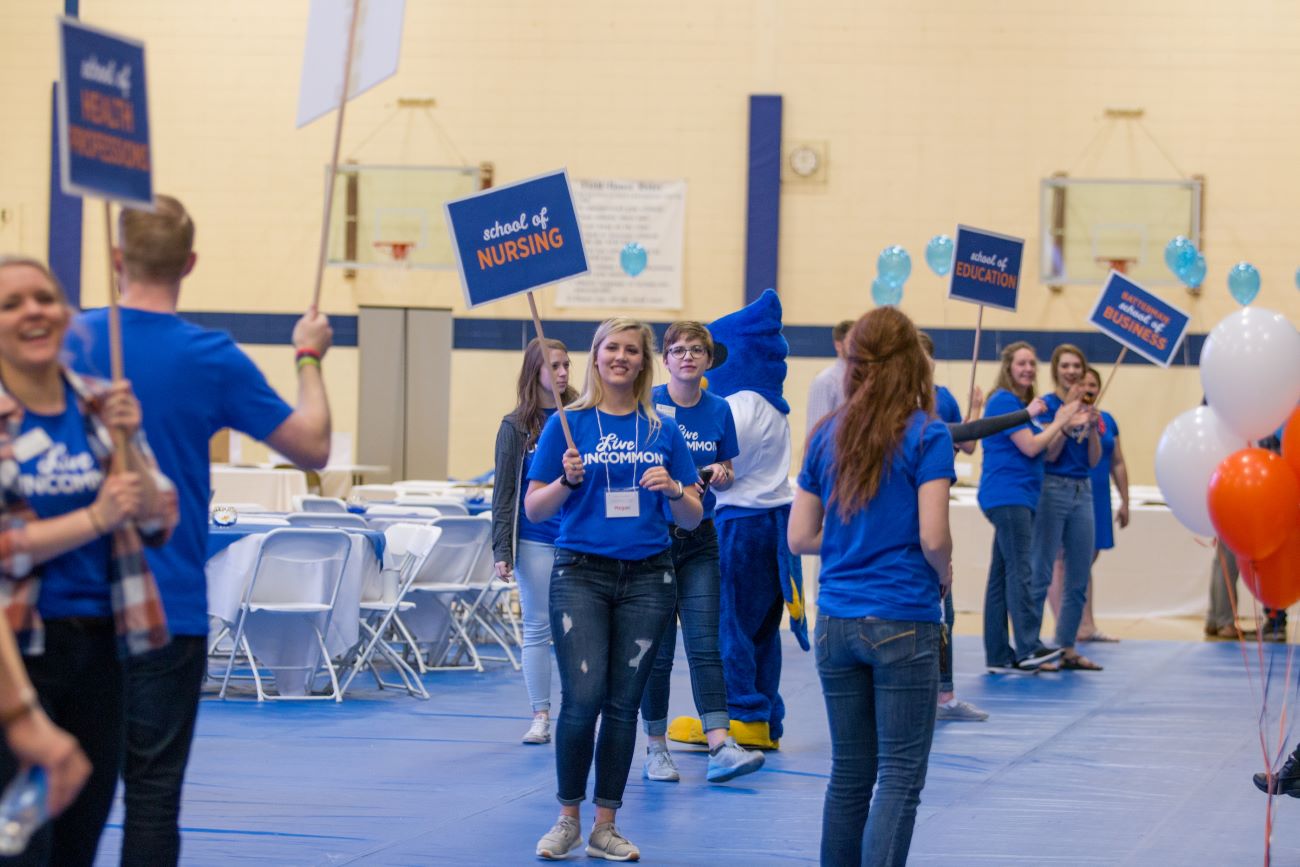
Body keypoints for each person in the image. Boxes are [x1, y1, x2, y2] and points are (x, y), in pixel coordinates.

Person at [62, 196, 333, 866]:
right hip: (167, 602)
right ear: (190, 263)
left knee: (64, 788)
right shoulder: (213, 357)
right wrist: (308, 355)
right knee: (153, 793)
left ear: (117, 259)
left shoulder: (68, 339)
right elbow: (313, 445)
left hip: (68, 595)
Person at [0, 255, 177, 866]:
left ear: (65, 313)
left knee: (80, 838)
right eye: (12, 304)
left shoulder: (103, 405)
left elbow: (159, 517)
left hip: (102, 647)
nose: (32, 312)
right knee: (19, 844)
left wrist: (132, 447)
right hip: (17, 656)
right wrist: (93, 519)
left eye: (44, 298)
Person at [525, 318, 701, 862]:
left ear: (644, 362)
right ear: (595, 358)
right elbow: (533, 508)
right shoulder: (568, 424)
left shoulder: (662, 430)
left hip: (649, 576)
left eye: (631, 350)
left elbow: (693, 518)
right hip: (580, 572)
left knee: (624, 706)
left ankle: (606, 824)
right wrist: (566, 481)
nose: (621, 357)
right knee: (581, 700)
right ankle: (567, 818)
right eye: (611, 349)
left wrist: (673, 489)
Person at [788, 306, 955, 867]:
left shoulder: (823, 436)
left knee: (850, 775)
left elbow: (800, 537)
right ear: (915, 364)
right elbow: (934, 535)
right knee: (901, 776)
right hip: (903, 614)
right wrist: (944, 570)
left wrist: (851, 537)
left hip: (836, 618)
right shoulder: (926, 435)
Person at [639, 321, 764, 784]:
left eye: (697, 350)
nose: (688, 356)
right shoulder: (647, 403)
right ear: (665, 358)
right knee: (658, 650)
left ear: (709, 360)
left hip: (701, 538)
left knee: (706, 644)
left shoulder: (719, 410)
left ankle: (720, 744)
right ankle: (655, 747)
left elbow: (727, 465)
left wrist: (722, 473)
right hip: (653, 539)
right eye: (678, 350)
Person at [491, 337, 576, 745]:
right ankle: (541, 714)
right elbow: (504, 491)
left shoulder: (583, 414)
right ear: (535, 372)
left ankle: (580, 710)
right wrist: (501, 549)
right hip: (535, 540)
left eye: (566, 366)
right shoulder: (515, 426)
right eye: (553, 366)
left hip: (579, 537)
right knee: (538, 628)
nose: (562, 373)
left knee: (579, 630)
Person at [977, 341, 1080, 674]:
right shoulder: (1005, 402)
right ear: (1008, 368)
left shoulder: (1023, 407)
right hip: (1009, 496)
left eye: (1032, 364)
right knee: (1021, 570)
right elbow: (1032, 447)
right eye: (1021, 363)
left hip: (1016, 496)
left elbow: (1045, 449)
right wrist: (1060, 419)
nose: (1028, 369)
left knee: (1001, 576)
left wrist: (1064, 425)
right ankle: (1027, 646)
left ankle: (997, 654)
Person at [918, 332, 987, 721]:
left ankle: (944, 693)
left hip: (936, 503)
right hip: (908, 510)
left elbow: (969, 444)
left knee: (944, 605)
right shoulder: (891, 400)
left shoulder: (942, 398)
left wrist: (975, 409)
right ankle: (924, 690)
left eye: (926, 356)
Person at [1029, 345, 1103, 671]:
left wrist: (1091, 428)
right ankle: (1030, 646)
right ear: (1056, 369)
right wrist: (1064, 423)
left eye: (1077, 366)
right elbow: (1050, 454)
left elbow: (1093, 460)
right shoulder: (1048, 405)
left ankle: (1066, 646)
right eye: (1066, 365)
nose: (1072, 371)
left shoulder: (1087, 406)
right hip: (1052, 488)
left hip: (1082, 489)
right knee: (1042, 570)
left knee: (1079, 574)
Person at [1046, 366, 1128, 643]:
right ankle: (1065, 626)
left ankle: (1087, 624)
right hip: (1071, 488)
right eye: (1084, 384)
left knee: (1084, 562)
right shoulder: (1064, 414)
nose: (1089, 388)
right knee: (1061, 562)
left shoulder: (1106, 421)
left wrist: (1125, 500)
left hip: (1098, 495)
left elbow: (1117, 461)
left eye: (1094, 384)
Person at [806, 319, 854, 435]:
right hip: (834, 452)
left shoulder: (863, 379)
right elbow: (816, 433)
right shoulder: (825, 381)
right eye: (852, 342)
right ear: (838, 345)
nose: (859, 346)